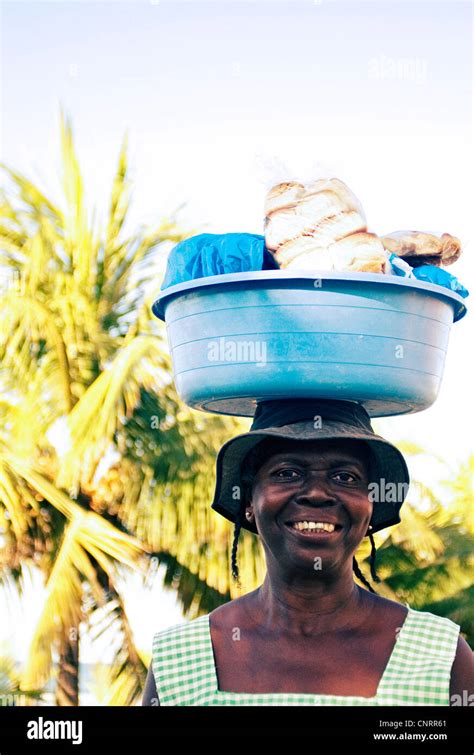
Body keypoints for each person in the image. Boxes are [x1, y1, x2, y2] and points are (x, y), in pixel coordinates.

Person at [142, 399, 473, 705]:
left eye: (345, 476)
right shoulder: (180, 662)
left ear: (370, 506)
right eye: (288, 473)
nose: (317, 493)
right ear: (248, 503)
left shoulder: (440, 658)